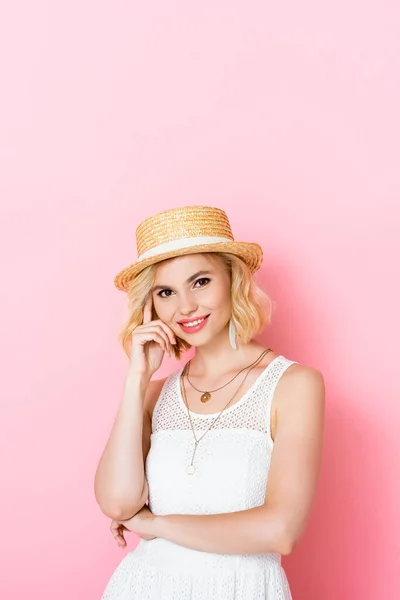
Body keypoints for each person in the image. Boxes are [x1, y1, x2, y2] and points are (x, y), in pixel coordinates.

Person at [95, 205, 325, 599]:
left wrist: (156, 525)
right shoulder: (153, 394)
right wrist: (137, 379)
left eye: (200, 282)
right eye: (165, 292)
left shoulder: (294, 385)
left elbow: (281, 530)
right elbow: (118, 504)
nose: (185, 306)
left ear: (233, 278)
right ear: (151, 306)